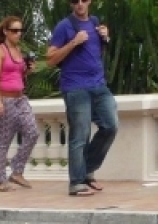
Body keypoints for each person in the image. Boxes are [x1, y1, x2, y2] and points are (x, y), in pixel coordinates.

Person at [47, 0, 116, 196]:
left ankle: (86, 170)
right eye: (74, 1)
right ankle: (76, 182)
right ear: (70, 4)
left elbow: (94, 53)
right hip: (76, 88)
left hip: (99, 86)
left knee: (111, 126)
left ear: (89, 1)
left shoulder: (95, 22)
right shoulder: (64, 26)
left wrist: (105, 37)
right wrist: (73, 43)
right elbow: (50, 59)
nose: (79, 4)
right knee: (80, 134)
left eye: (83, 0)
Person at [0, 16, 38, 192]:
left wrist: (28, 70)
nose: (18, 34)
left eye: (20, 31)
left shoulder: (18, 50)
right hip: (5, 98)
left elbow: (18, 75)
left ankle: (17, 170)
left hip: (20, 98)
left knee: (33, 132)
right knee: (2, 140)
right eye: (14, 30)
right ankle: (0, 180)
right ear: (5, 31)